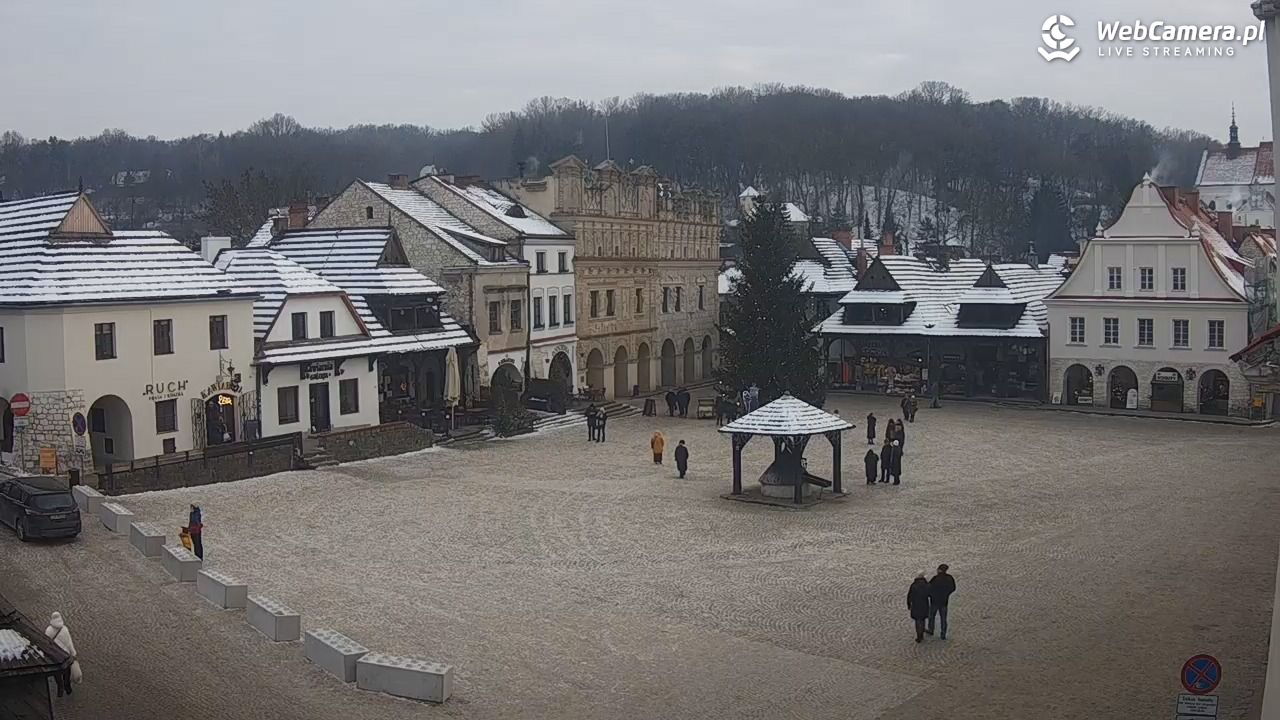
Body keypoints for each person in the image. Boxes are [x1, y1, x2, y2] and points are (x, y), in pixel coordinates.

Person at [45, 612, 82, 695]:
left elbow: (47, 644)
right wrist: (73, 654)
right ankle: (67, 687)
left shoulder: (49, 630)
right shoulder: (65, 629)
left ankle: (60, 688)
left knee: (57, 673)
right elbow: (69, 643)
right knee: (67, 671)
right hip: (66, 655)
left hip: (55, 656)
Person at [926, 564, 957, 640]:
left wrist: (931, 595)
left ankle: (931, 629)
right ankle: (943, 633)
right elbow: (953, 588)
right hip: (944, 601)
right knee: (943, 618)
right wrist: (947, 593)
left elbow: (929, 588)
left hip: (934, 601)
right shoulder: (949, 578)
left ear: (939, 570)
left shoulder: (935, 579)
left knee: (931, 616)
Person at [907, 574, 932, 643]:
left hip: (916, 605)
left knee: (917, 620)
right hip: (924, 605)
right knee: (923, 619)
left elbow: (909, 595)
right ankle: (922, 633)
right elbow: (930, 594)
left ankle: (919, 636)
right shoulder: (927, 585)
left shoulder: (914, 585)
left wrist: (909, 604)